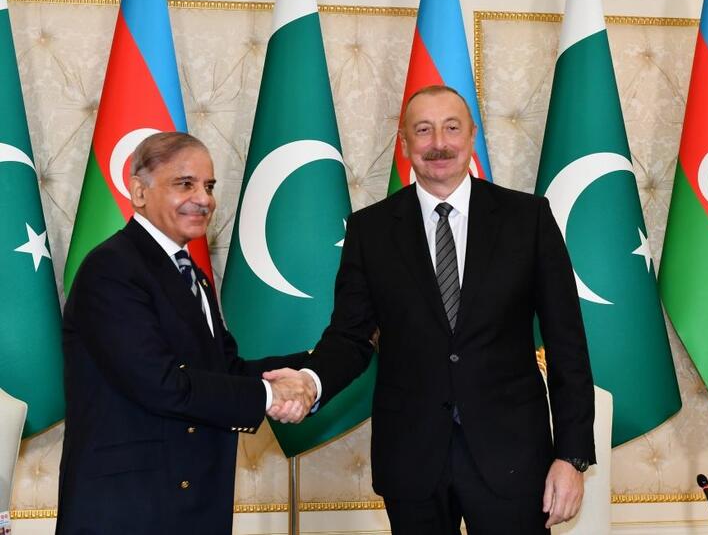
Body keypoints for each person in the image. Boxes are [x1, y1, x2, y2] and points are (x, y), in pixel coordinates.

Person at [277, 85, 596, 534]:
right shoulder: (370, 230)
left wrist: (571, 456)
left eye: (451, 128)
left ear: (472, 136)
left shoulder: (529, 219)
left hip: (513, 459)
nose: (439, 143)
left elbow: (568, 344)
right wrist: (310, 381)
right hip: (412, 461)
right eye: (423, 130)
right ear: (404, 142)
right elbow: (350, 337)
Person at [56, 132, 316, 535]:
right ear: (139, 192)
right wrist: (270, 395)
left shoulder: (192, 275)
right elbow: (161, 384)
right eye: (185, 184)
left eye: (208, 186)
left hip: (187, 502)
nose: (204, 199)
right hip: (128, 510)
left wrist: (315, 364)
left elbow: (224, 371)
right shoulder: (111, 268)